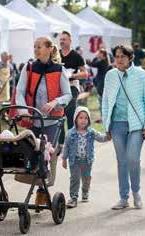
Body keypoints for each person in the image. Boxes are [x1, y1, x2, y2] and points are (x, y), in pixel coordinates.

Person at [16, 36, 72, 205]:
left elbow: (68, 95)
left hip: (52, 121)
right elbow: (19, 91)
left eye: (39, 46)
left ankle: (43, 188)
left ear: (49, 48)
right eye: (34, 47)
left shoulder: (59, 69)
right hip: (32, 119)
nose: (36, 49)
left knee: (48, 155)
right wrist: (23, 110)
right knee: (32, 154)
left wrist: (55, 102)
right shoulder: (29, 67)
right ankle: (36, 184)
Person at [102, 44, 145, 210]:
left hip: (136, 125)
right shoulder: (110, 75)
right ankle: (123, 197)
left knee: (133, 159)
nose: (118, 60)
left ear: (130, 57)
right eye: (116, 57)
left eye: (122, 57)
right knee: (122, 161)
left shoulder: (141, 75)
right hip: (117, 124)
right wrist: (106, 124)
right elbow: (105, 101)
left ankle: (136, 193)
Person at [61, 106, 109, 208]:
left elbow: (101, 137)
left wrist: (108, 136)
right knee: (75, 179)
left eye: (86, 118)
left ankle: (85, 191)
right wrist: (64, 159)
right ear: (75, 119)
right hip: (75, 161)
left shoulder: (91, 132)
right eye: (80, 118)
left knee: (86, 178)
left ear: (89, 120)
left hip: (87, 161)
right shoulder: (70, 133)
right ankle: (73, 198)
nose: (83, 120)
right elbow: (66, 146)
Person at [59, 31, 88, 149]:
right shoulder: (56, 55)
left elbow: (85, 73)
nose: (61, 41)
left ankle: (72, 141)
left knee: (70, 113)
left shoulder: (76, 56)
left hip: (72, 86)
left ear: (70, 41)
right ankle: (60, 143)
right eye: (60, 39)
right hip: (59, 87)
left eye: (64, 39)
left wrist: (72, 75)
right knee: (59, 114)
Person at [88, 49, 113, 123]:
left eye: (99, 53)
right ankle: (104, 117)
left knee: (102, 101)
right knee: (103, 101)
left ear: (103, 55)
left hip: (101, 83)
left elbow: (92, 64)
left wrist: (95, 57)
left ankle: (104, 118)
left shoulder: (102, 61)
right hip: (102, 83)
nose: (98, 54)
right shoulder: (105, 61)